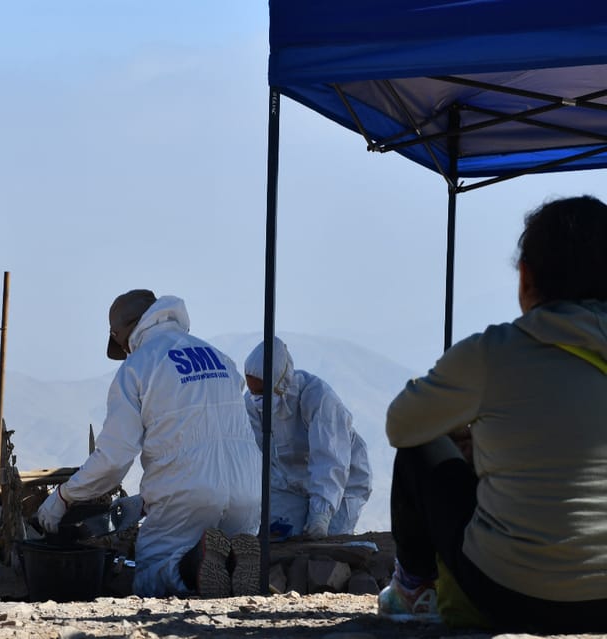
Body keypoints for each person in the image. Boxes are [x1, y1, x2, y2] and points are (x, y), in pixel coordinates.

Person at [379, 195, 607, 633]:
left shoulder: (493, 353)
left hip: (512, 596)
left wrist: (473, 435)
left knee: (421, 443)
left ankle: (413, 589)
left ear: (525, 278)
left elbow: (401, 423)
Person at [36, 290, 262, 598]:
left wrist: (64, 496)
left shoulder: (138, 366)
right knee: (227, 572)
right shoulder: (219, 357)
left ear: (122, 335)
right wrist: (144, 499)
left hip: (187, 495)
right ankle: (235, 557)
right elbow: (209, 438)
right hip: (247, 490)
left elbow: (114, 459)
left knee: (155, 572)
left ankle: (193, 563)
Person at [244, 337, 372, 539]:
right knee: (282, 540)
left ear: (279, 383)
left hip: (342, 482)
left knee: (327, 543)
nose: (256, 398)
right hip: (289, 484)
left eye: (262, 392)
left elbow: (330, 460)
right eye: (252, 392)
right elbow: (257, 458)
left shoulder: (317, 398)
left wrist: (320, 514)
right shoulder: (251, 405)